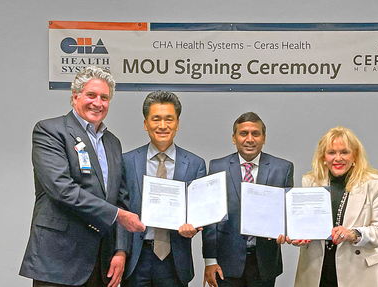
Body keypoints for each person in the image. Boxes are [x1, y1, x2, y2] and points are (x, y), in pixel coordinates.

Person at [19, 66, 145, 287]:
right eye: (91, 95)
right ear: (75, 96)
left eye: (104, 97)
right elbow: (61, 189)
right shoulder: (50, 131)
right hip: (59, 259)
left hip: (101, 260)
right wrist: (117, 215)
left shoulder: (112, 143)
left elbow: (120, 199)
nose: (98, 103)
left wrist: (121, 250)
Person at [121, 91, 206, 287]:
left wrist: (194, 226)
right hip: (136, 257)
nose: (162, 126)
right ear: (145, 124)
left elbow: (200, 212)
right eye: (156, 119)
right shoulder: (126, 161)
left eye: (169, 119)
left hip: (175, 260)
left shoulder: (195, 164)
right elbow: (120, 208)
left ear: (177, 123)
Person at [290, 126, 378, 287]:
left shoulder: (374, 184)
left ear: (355, 156)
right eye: (331, 152)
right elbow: (306, 226)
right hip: (316, 270)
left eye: (344, 152)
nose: (338, 158)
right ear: (323, 156)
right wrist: (299, 236)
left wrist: (354, 234)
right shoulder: (310, 182)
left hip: (357, 272)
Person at [203, 112, 294, 287]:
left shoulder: (282, 168)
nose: (250, 139)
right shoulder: (217, 167)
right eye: (243, 133)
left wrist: (287, 230)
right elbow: (210, 220)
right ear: (234, 138)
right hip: (226, 263)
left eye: (256, 133)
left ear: (264, 138)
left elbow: (286, 214)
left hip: (264, 262)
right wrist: (210, 260)